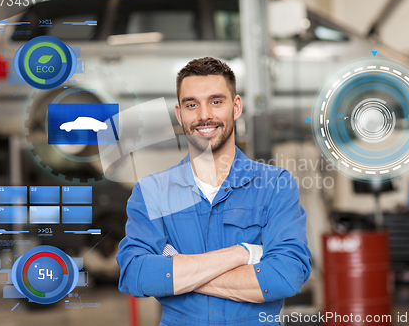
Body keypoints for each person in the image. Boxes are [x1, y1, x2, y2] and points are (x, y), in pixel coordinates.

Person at [117, 57, 311, 326]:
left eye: (216, 101)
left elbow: (284, 276)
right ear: (179, 113)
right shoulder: (152, 192)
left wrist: (179, 270)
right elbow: (136, 275)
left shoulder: (275, 185)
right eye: (192, 104)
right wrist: (242, 254)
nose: (204, 115)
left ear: (236, 106)